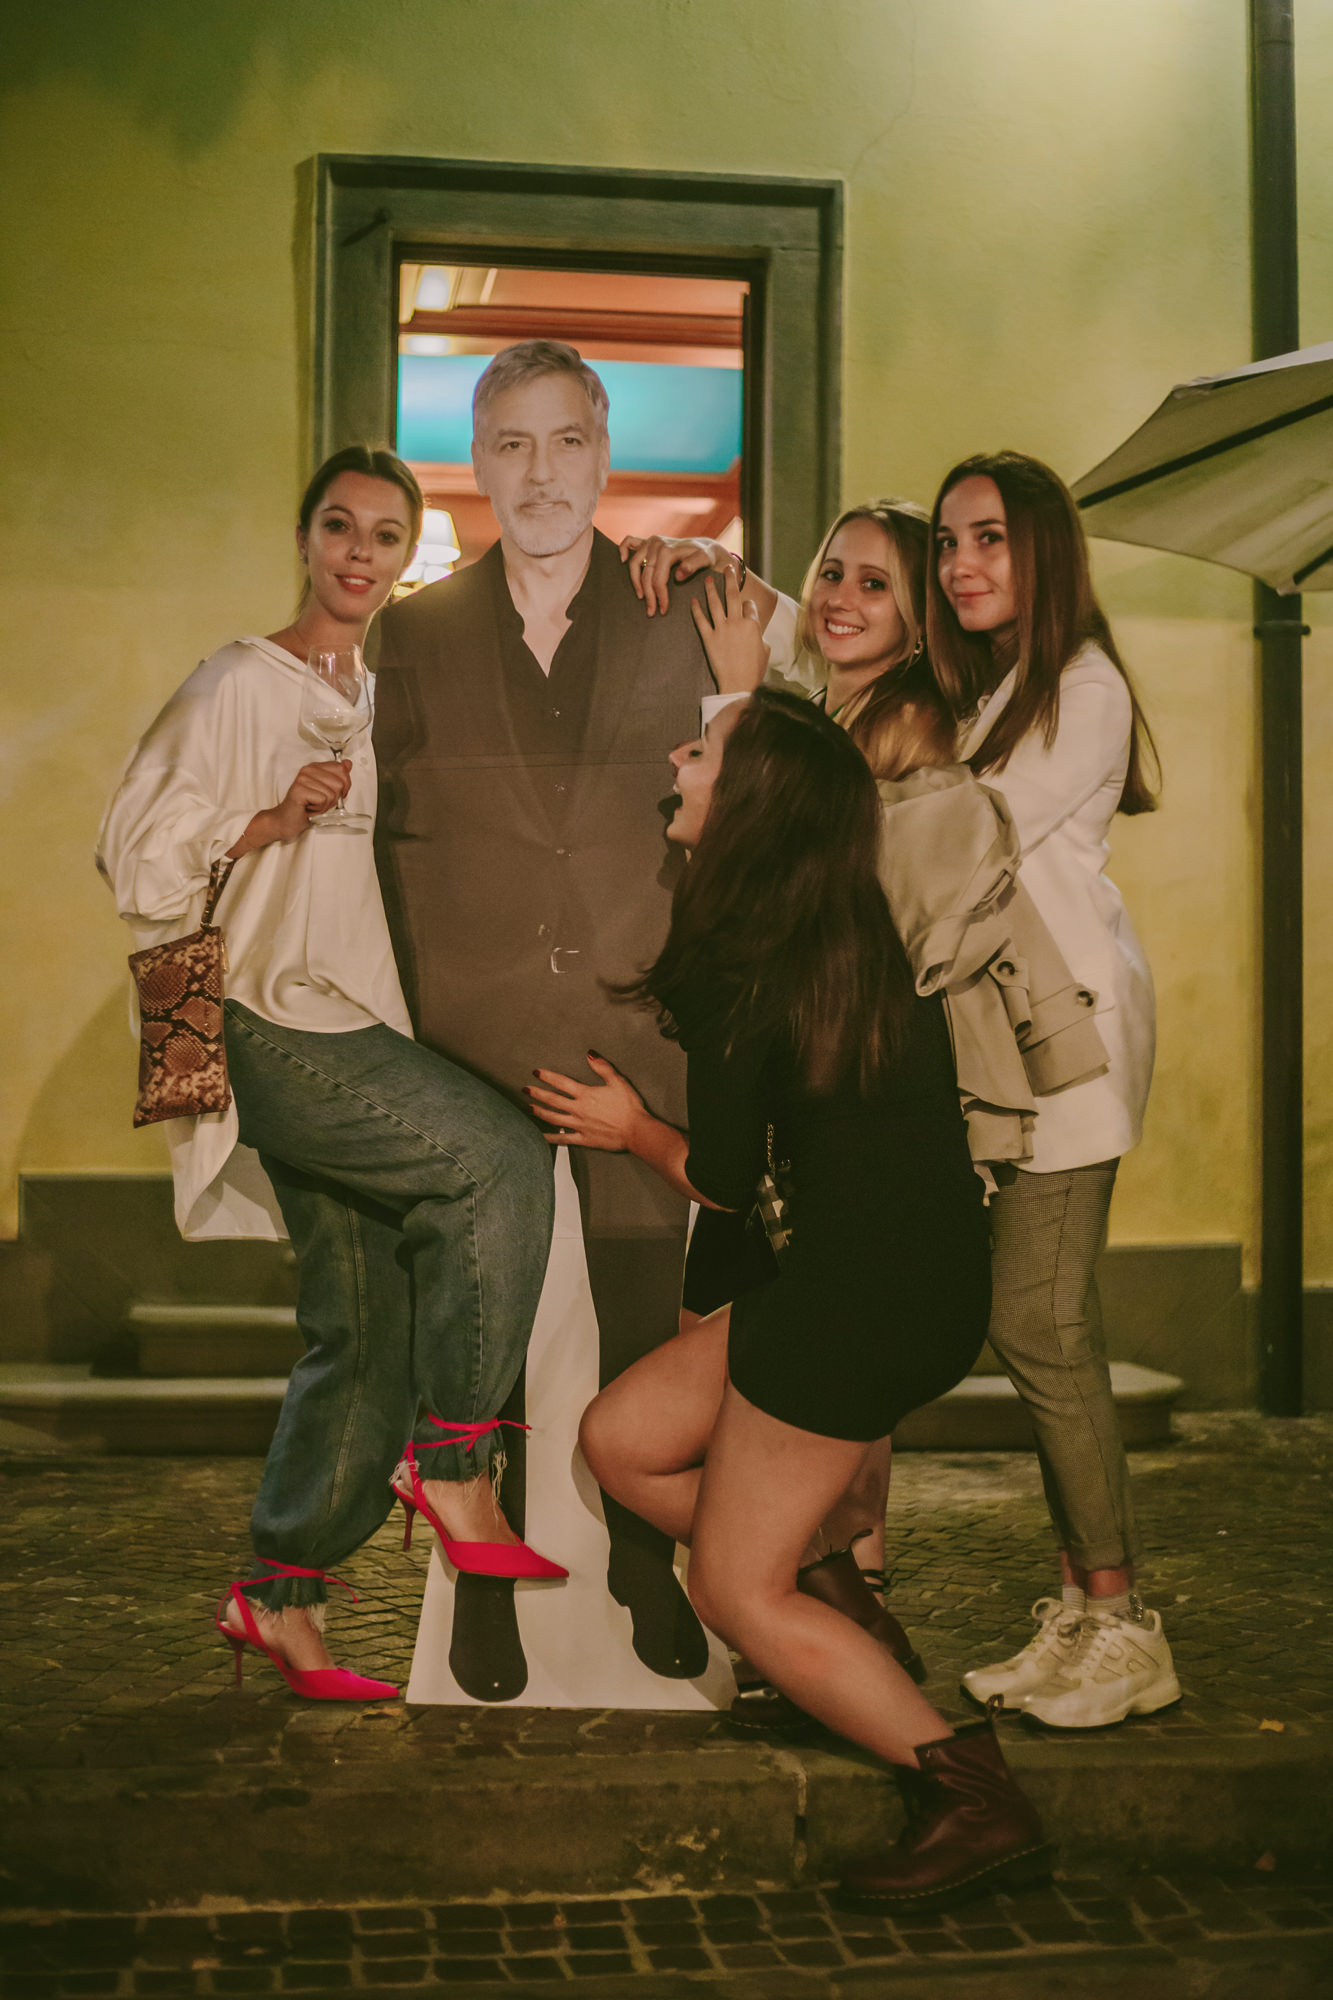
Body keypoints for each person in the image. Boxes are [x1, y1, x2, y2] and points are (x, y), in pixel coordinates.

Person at [530, 689, 1052, 1913]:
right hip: (897, 1279)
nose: (678, 757)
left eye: (702, 751)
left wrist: (630, 1127)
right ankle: (850, 1626)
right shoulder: (835, 929)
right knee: (623, 1438)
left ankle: (973, 1796)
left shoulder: (750, 963)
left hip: (857, 1303)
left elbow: (719, 1177)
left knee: (731, 1588)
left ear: (751, 805)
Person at [97, 445, 558, 1703]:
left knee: (359, 1327)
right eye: (341, 526)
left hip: (359, 1021)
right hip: (263, 1012)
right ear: (305, 538)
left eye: (385, 535)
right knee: (495, 1158)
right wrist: (264, 819)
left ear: (408, 556)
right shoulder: (239, 681)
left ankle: (281, 1594)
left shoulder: (387, 695)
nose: (360, 553)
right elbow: (131, 847)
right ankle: (453, 1459)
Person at [374, 339, 787, 1695]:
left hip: (639, 1022)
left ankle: (638, 1563)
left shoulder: (692, 599)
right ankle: (480, 1579)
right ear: (476, 463)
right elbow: (383, 834)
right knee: (476, 1325)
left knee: (636, 1312)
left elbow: (776, 749)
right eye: (511, 443)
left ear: (603, 453)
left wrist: (729, 578)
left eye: (565, 441)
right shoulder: (416, 631)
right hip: (470, 1033)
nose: (540, 472)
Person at [927, 450, 1178, 1729]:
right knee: (1039, 1322)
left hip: (1067, 1044)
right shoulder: (999, 692)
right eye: (946, 543)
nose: (959, 564)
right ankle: (1081, 1609)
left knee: (1040, 1324)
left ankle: (1125, 1624)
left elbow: (967, 838)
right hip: (1019, 1048)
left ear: (1044, 550)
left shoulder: (1081, 685)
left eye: (988, 538)